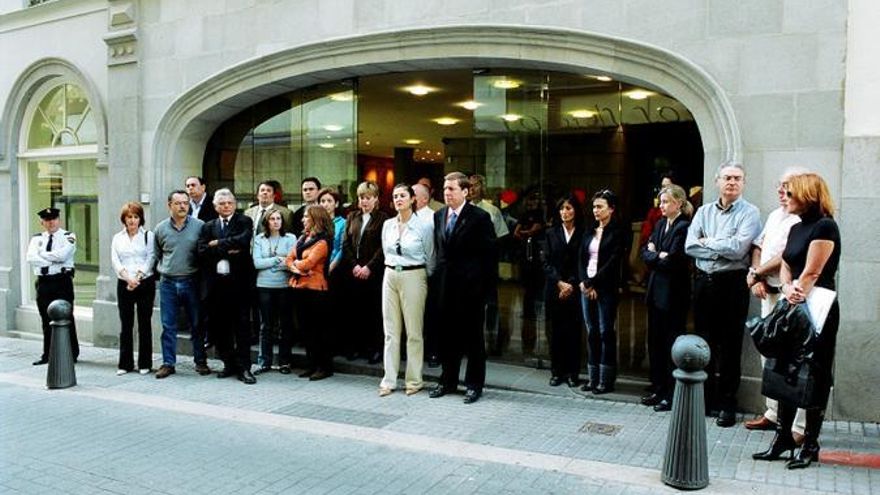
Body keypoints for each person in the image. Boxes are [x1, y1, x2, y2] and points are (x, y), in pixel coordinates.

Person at [752, 172, 840, 469]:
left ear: (807, 194)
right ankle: (783, 439)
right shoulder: (797, 226)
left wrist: (797, 290)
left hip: (818, 308)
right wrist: (788, 287)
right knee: (784, 366)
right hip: (795, 302)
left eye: (790, 193)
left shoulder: (825, 226)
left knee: (815, 370)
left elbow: (814, 271)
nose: (785, 197)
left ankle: (810, 444)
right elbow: (787, 262)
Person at [685, 163, 761, 427]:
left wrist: (708, 242)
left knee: (730, 346)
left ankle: (727, 403)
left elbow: (740, 249)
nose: (732, 182)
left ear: (743, 183)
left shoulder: (750, 213)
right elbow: (690, 246)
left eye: (737, 178)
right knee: (704, 343)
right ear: (717, 181)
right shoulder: (704, 211)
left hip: (732, 285)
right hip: (704, 283)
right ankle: (704, 400)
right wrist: (719, 246)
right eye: (727, 177)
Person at [744, 169, 808, 439]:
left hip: (789, 296)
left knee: (794, 359)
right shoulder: (773, 215)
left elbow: (785, 256)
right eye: (780, 186)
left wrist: (756, 273)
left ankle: (798, 425)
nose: (782, 191)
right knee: (767, 353)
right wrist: (756, 274)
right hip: (767, 292)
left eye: (788, 187)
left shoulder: (803, 219)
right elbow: (758, 245)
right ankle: (772, 413)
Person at [429, 172, 497, 404]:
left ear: (465, 191)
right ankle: (447, 381)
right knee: (447, 337)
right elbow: (440, 252)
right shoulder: (439, 215)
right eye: (445, 189)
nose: (447, 193)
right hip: (445, 287)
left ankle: (474, 384)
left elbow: (489, 258)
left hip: (471, 290)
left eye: (452, 189)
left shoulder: (479, 217)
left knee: (473, 339)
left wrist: (486, 292)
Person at [378, 184, 435, 397]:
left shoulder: (424, 226)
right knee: (390, 331)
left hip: (414, 274)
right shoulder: (388, 225)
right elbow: (386, 250)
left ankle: (414, 380)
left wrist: (422, 276)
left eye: (403, 195)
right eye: (395, 196)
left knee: (414, 331)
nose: (398, 199)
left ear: (413, 199)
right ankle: (389, 379)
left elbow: (431, 256)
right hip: (390, 273)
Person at [639, 185, 692, 411]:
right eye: (660, 202)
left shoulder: (683, 227)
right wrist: (656, 254)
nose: (661, 206)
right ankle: (658, 387)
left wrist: (658, 255)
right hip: (655, 293)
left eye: (666, 202)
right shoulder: (660, 224)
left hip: (673, 295)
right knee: (656, 343)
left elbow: (672, 261)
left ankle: (670, 394)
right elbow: (645, 252)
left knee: (671, 345)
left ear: (678, 203)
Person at [198, 189, 255, 384]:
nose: (226, 206)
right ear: (215, 206)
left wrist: (217, 244)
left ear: (234, 203)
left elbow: (243, 240)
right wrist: (227, 248)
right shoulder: (208, 226)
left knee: (242, 327)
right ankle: (228, 364)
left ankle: (244, 367)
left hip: (239, 285)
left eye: (229, 203)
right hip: (216, 286)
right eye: (221, 204)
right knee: (221, 328)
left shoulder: (244, 221)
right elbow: (202, 250)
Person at [153, 190, 211, 379]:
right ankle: (168, 363)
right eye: (178, 203)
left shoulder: (200, 226)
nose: (182, 206)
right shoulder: (160, 228)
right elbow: (157, 255)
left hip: (191, 281)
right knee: (168, 326)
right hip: (168, 282)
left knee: (196, 324)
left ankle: (200, 361)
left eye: (186, 203)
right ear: (169, 205)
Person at [579, 189, 626, 394]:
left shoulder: (618, 232)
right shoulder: (590, 230)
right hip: (586, 286)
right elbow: (581, 258)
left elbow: (613, 262)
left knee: (605, 331)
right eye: (594, 207)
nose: (595, 210)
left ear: (611, 209)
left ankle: (606, 380)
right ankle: (592, 377)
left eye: (600, 207)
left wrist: (593, 283)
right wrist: (583, 281)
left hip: (605, 287)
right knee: (591, 332)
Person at [341, 181, 388, 363]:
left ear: (376, 199)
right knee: (355, 311)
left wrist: (369, 267)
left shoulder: (383, 218)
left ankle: (374, 349)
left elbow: (383, 246)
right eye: (361, 197)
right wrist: (354, 265)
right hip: (354, 270)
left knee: (373, 312)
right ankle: (356, 347)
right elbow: (345, 243)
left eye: (368, 197)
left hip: (373, 271)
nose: (364, 201)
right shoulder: (352, 216)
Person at [26, 207, 79, 365]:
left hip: (61, 282)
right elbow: (30, 257)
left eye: (54, 219)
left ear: (59, 220)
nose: (51, 223)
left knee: (66, 316)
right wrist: (52, 259)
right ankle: (47, 354)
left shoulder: (68, 236)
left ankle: (71, 353)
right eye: (47, 220)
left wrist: (42, 255)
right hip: (44, 282)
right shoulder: (37, 239)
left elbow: (63, 255)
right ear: (42, 222)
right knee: (45, 318)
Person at [286, 205, 334, 381]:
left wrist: (296, 265)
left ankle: (324, 367)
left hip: (316, 290)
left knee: (317, 330)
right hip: (299, 288)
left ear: (316, 219)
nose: (302, 219)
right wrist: (296, 267)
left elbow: (309, 263)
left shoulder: (322, 242)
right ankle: (312, 364)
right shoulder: (302, 238)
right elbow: (288, 259)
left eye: (306, 216)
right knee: (305, 329)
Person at [542, 194, 585, 388]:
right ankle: (557, 372)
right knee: (555, 331)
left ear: (575, 210)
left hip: (575, 289)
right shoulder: (551, 233)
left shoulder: (584, 233)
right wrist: (559, 282)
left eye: (568, 208)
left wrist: (571, 284)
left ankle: (573, 373)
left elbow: (583, 262)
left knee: (574, 332)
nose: (565, 212)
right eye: (562, 209)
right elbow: (546, 261)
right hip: (554, 288)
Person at [110, 202, 157, 375]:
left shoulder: (148, 236)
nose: (132, 221)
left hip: (144, 282)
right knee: (126, 324)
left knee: (144, 323)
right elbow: (115, 260)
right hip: (124, 283)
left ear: (140, 219)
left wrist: (137, 278)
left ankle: (145, 363)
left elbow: (151, 257)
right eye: (129, 217)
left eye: (136, 217)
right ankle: (125, 364)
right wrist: (128, 278)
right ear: (124, 219)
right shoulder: (117, 238)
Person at [252, 210, 297, 374]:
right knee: (266, 325)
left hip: (284, 286)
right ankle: (265, 361)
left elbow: (292, 262)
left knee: (285, 324)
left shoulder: (290, 238)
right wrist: (277, 260)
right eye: (272, 219)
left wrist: (273, 263)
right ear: (267, 222)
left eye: (279, 218)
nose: (276, 222)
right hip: (264, 286)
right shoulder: (259, 239)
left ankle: (285, 362)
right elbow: (257, 263)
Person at [469, 174, 509, 355]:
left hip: (487, 266)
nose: (472, 189)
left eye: (476, 185)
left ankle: (492, 343)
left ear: (482, 188)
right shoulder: (461, 210)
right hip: (467, 268)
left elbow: (502, 238)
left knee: (490, 304)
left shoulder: (492, 211)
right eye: (469, 185)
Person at [318, 188, 345, 274]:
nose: (325, 204)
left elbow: (342, 249)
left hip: (334, 268)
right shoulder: (315, 223)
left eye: (329, 201)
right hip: (315, 269)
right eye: (322, 201)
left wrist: (331, 266)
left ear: (336, 204)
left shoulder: (343, 223)